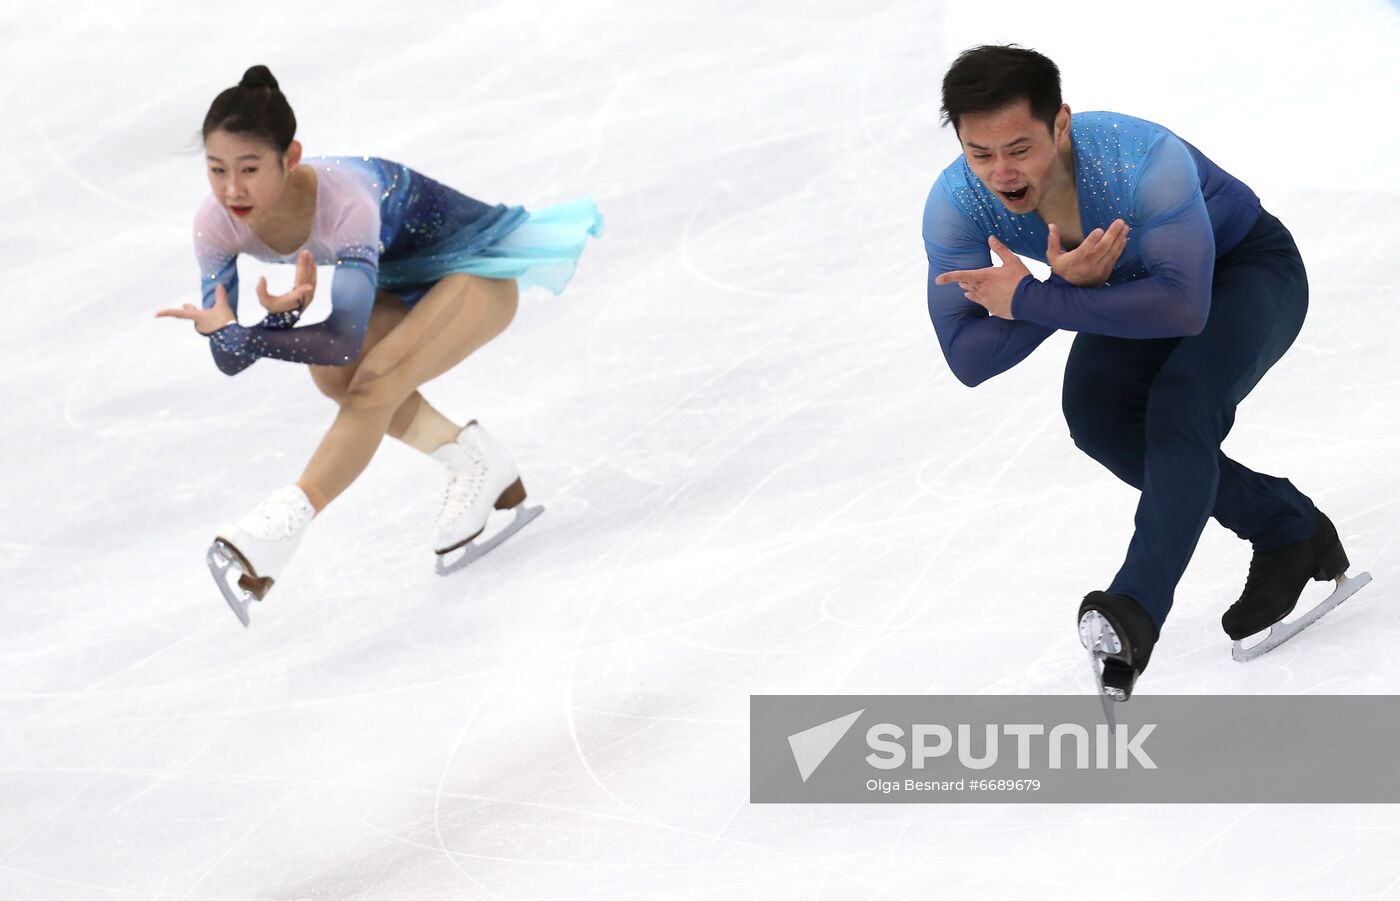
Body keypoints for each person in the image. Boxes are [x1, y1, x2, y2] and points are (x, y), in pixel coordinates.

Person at [922, 45, 1361, 698]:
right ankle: (1286, 526)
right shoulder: (958, 204)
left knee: (1182, 403)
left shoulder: (1140, 161)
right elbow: (967, 355)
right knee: (1098, 415)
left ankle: (1134, 609)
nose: (1002, 173)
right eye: (980, 153)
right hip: (1123, 288)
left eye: (1019, 148)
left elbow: (1185, 306)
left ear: (1060, 125)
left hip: (1244, 271)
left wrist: (1041, 295)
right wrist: (1058, 292)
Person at [159, 65, 602, 625]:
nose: (231, 190)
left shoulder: (347, 202)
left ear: (290, 157)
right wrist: (231, 330)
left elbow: (343, 338)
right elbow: (230, 357)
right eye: (217, 169)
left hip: (477, 269)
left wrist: (259, 332)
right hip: (407, 284)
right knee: (333, 378)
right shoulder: (216, 223)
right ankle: (473, 458)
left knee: (375, 376)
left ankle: (281, 526)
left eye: (249, 169)